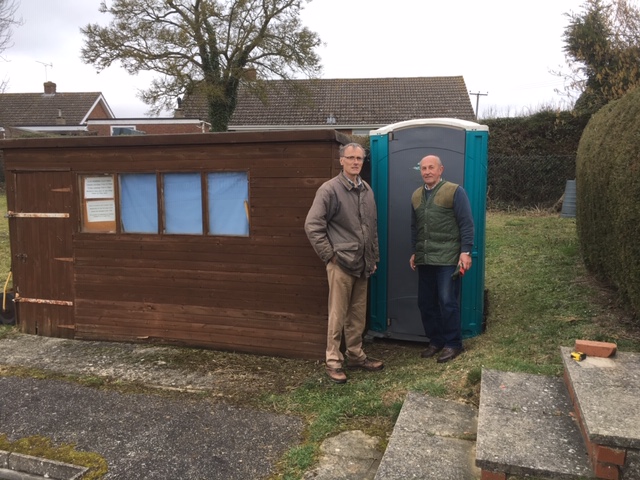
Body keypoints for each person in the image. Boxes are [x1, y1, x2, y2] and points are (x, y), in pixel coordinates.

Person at [304, 142, 384, 384]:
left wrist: (373, 258)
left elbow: (372, 229)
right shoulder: (329, 190)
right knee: (337, 316)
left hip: (363, 264)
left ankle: (356, 356)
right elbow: (312, 226)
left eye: (359, 158)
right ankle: (333, 362)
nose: (355, 162)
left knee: (357, 316)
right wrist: (330, 255)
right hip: (341, 264)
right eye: (350, 158)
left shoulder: (367, 190)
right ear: (341, 161)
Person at [409, 154, 474, 363]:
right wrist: (415, 251)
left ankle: (453, 344)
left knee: (447, 301)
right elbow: (415, 227)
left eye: (431, 167)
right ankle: (435, 341)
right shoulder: (416, 195)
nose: (427, 171)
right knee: (425, 303)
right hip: (425, 258)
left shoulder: (455, 191)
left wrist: (466, 251)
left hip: (448, 258)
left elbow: (466, 223)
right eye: (423, 168)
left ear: (441, 170)